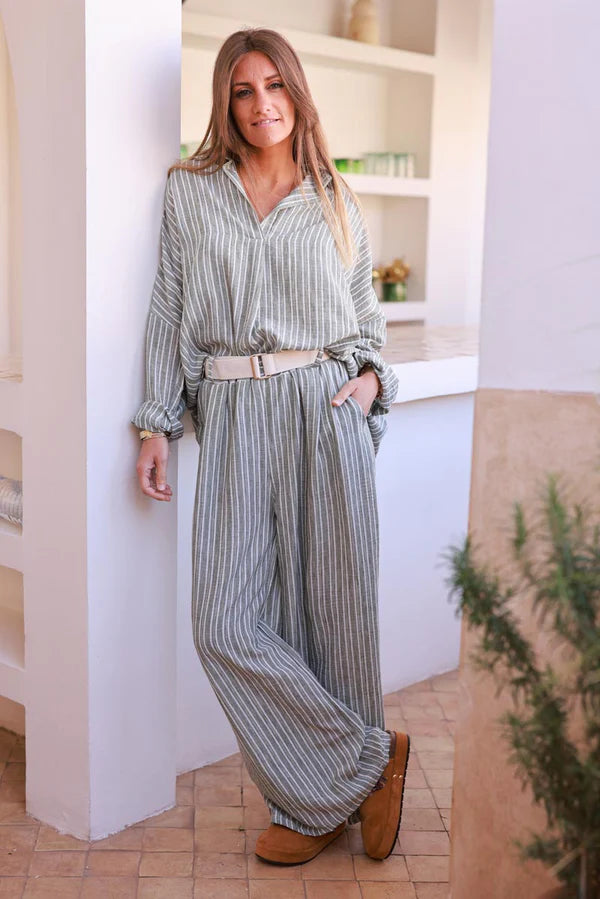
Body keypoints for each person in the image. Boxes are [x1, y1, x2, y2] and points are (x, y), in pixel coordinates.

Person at [131, 26, 410, 866]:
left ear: (297, 91)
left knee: (335, 612)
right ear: (225, 101)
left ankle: (314, 805)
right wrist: (156, 420)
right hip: (231, 410)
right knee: (224, 621)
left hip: (322, 406)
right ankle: (368, 764)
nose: (262, 105)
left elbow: (368, 325)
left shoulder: (334, 197)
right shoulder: (191, 192)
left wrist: (372, 382)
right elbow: (169, 306)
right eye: (244, 90)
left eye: (275, 85)